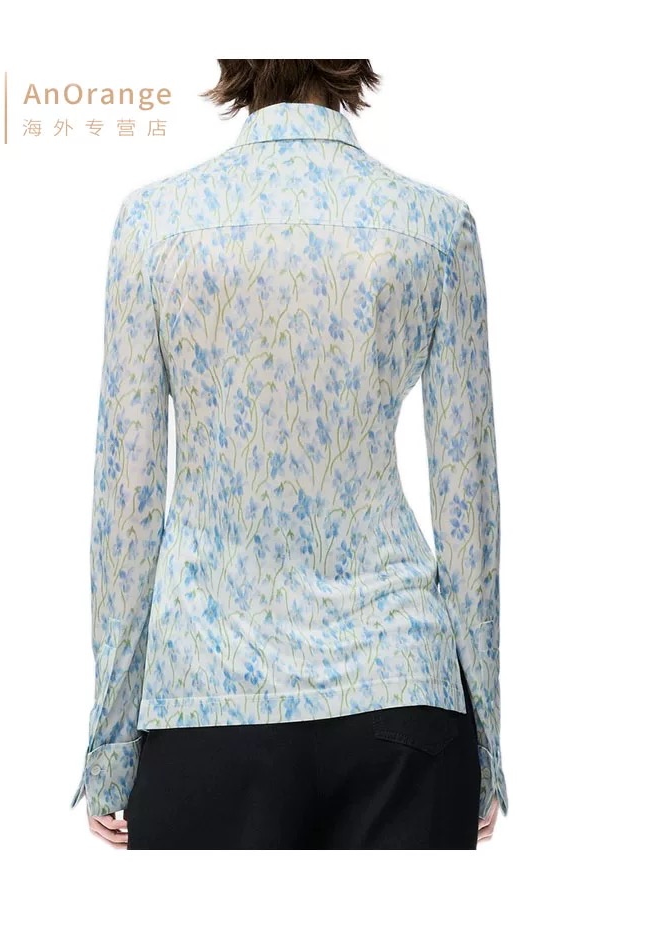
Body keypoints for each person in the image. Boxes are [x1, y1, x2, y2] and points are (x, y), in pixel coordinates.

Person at [70, 59, 508, 849]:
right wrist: (488, 742)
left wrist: (109, 741)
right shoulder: (434, 225)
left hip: (206, 691)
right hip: (401, 688)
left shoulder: (156, 225)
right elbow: (468, 498)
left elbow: (126, 501)